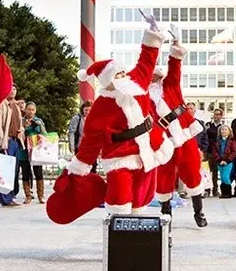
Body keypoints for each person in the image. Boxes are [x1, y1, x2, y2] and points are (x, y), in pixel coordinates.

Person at [48, 17, 173, 220]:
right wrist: (79, 168)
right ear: (108, 82)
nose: (124, 77)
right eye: (118, 75)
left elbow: (147, 60)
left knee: (142, 198)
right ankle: (119, 234)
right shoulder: (100, 107)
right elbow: (90, 141)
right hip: (119, 156)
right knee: (119, 198)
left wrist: (153, 33)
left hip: (148, 149)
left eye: (123, 72)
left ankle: (138, 231)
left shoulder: (137, 82)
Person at [150, 29, 207, 227]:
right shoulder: (142, 98)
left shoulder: (171, 86)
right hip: (162, 142)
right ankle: (166, 212)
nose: (152, 80)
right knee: (164, 177)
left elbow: (174, 66)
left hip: (184, 134)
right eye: (149, 77)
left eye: (155, 77)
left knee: (192, 172)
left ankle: (198, 212)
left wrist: (175, 43)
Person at [0, 85, 24, 207]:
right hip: (7, 141)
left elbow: (19, 123)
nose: (13, 91)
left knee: (12, 171)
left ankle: (3, 196)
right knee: (6, 171)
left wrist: (21, 130)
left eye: (15, 89)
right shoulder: (0, 105)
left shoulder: (14, 105)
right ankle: (6, 199)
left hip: (15, 141)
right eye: (10, 88)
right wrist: (1, 142)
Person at [21, 101, 48, 204]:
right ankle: (28, 195)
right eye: (29, 109)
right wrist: (24, 127)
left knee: (38, 173)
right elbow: (18, 132)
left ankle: (41, 195)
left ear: (35, 110)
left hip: (36, 151)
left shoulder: (38, 120)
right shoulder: (22, 120)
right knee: (25, 173)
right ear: (25, 110)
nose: (31, 112)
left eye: (33, 110)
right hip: (24, 150)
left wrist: (40, 126)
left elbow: (45, 134)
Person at [212, 125, 236, 199]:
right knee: (222, 178)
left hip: (228, 162)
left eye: (226, 130)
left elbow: (234, 152)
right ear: (220, 131)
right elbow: (214, 151)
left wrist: (227, 160)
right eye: (222, 129)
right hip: (219, 161)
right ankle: (223, 193)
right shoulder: (217, 141)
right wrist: (219, 160)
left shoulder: (232, 141)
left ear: (229, 132)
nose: (224, 131)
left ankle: (228, 193)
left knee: (226, 177)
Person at [204, 108, 224, 197]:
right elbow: (206, 136)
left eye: (218, 114)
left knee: (215, 172)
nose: (217, 116)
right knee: (207, 172)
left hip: (217, 152)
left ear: (221, 116)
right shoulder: (208, 125)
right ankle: (207, 190)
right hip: (208, 151)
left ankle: (215, 190)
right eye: (215, 114)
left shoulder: (223, 127)